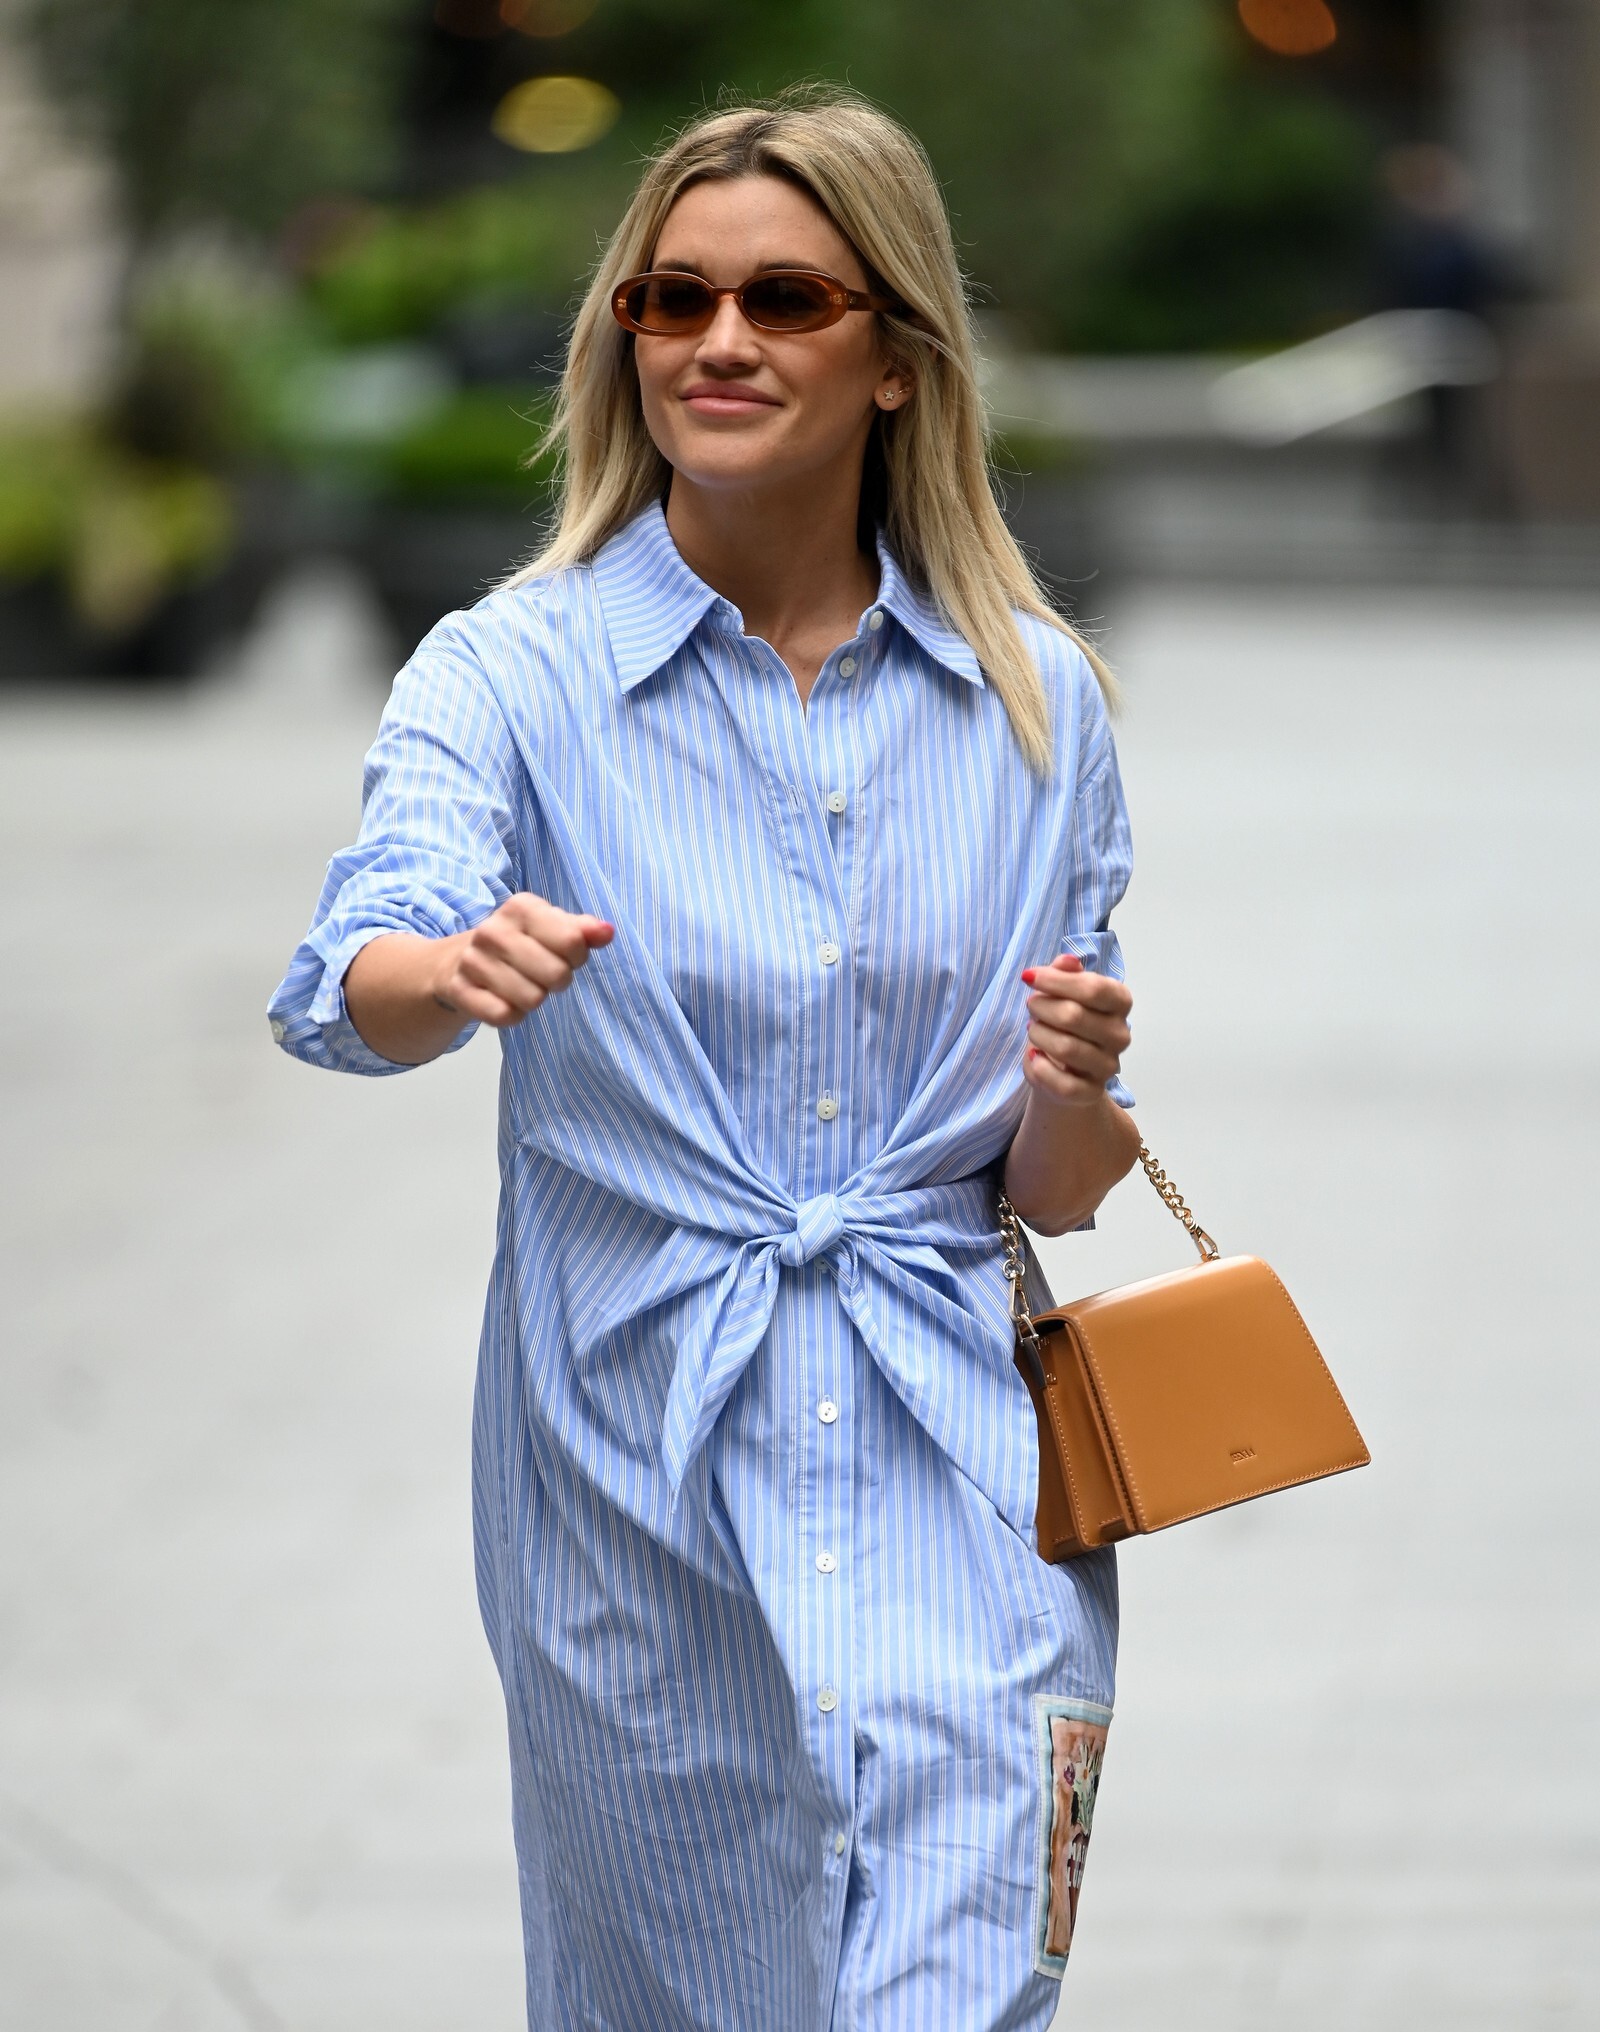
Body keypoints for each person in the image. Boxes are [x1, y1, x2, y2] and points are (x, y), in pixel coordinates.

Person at [269, 85, 1139, 2031]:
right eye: (672, 299)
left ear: (897, 355)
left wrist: (1074, 1077)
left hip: (956, 1458)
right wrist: (452, 967)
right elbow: (349, 971)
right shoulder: (509, 670)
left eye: (783, 299)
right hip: (633, 1459)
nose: (718, 341)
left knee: (962, 1982)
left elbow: (1058, 1189)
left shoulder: (1033, 701)